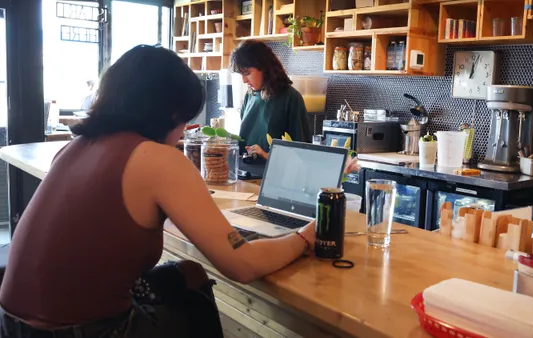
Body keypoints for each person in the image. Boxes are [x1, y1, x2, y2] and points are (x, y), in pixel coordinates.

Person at [0, 45, 315, 338]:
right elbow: (242, 264)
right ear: (170, 111)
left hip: (13, 323)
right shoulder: (157, 159)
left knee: (188, 273)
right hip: (82, 330)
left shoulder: (75, 148)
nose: (183, 132)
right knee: (194, 304)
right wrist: (305, 237)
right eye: (184, 121)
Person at [230, 40, 311, 160]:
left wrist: (266, 155)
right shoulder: (250, 96)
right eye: (240, 74)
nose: (244, 80)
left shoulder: (291, 98)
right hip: (246, 174)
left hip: (275, 175)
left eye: (247, 73)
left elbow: (302, 152)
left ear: (263, 67)